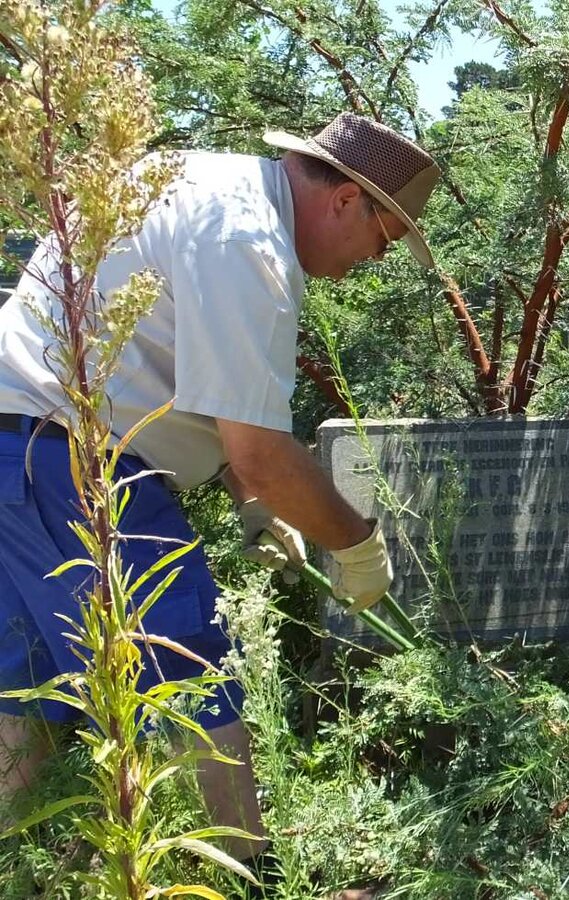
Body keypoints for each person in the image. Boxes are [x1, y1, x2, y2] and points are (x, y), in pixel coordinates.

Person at [0, 113, 439, 893]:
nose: (377, 257)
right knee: (186, 668)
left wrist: (256, 507)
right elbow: (262, 452)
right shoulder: (250, 247)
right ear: (344, 200)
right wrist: (357, 544)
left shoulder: (202, 181)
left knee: (23, 671)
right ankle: (245, 875)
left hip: (21, 444)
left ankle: (15, 863)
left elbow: (194, 389)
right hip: (68, 459)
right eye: (387, 233)